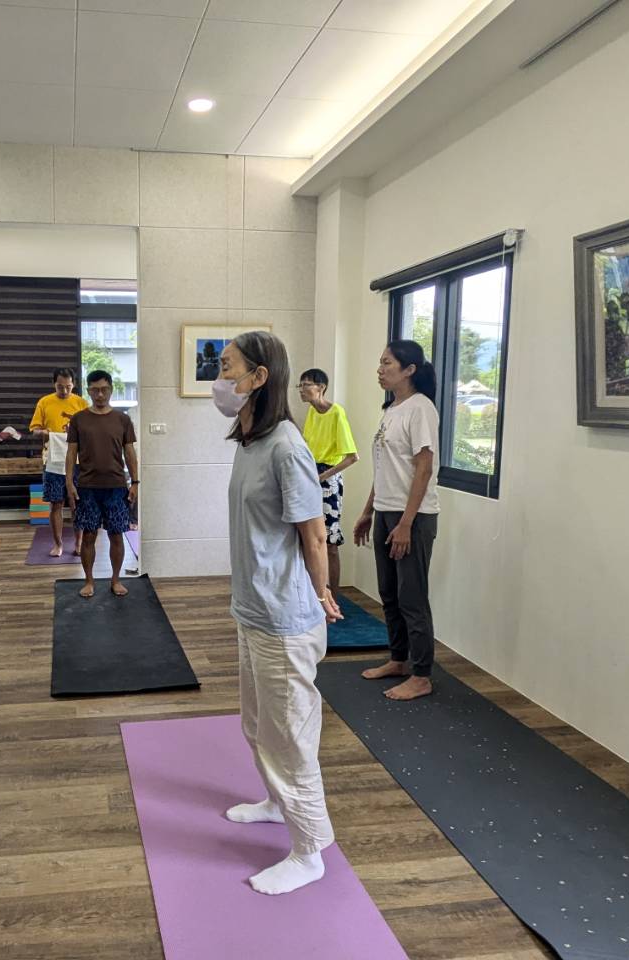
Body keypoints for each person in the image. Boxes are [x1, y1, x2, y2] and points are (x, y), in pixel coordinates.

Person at [213, 331, 344, 896]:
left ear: (259, 376)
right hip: (253, 608)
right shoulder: (249, 442)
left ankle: (309, 852)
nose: (219, 378)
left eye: (227, 367)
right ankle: (274, 802)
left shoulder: (288, 447)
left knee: (289, 737)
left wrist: (323, 593)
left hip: (285, 617)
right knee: (257, 725)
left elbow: (314, 534)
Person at [352, 340, 441, 702]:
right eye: (380, 362)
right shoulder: (391, 409)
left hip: (413, 518)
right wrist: (368, 510)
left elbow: (424, 468)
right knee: (389, 593)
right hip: (387, 512)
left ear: (409, 370)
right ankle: (399, 660)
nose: (380, 369)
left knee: (412, 597)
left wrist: (406, 523)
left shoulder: (421, 409)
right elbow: (385, 468)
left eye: (387, 363)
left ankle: (421, 675)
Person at [65, 370, 139, 599]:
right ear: (88, 391)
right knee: (88, 535)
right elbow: (71, 453)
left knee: (117, 535)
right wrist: (69, 482)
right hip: (87, 487)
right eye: (95, 390)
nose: (100, 394)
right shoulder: (78, 419)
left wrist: (135, 482)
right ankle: (89, 580)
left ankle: (116, 579)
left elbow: (130, 452)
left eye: (104, 389)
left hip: (116, 486)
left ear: (111, 390)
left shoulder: (122, 420)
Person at [298, 368, 359, 599]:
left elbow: (352, 457)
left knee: (330, 541)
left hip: (328, 479)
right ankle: (315, 593)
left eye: (306, 385)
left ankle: (336, 596)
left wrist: (322, 477)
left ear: (321, 387)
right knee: (309, 538)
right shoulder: (312, 412)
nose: (301, 390)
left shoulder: (336, 413)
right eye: (300, 385)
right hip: (309, 475)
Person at [29, 366, 88, 557]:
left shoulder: (81, 403)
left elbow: (89, 430)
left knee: (77, 503)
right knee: (56, 503)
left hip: (77, 461)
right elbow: (34, 430)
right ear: (54, 384)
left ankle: (79, 543)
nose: (64, 391)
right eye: (60, 387)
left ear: (74, 384)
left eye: (68, 387)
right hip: (53, 460)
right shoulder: (45, 402)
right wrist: (45, 433)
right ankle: (58, 543)